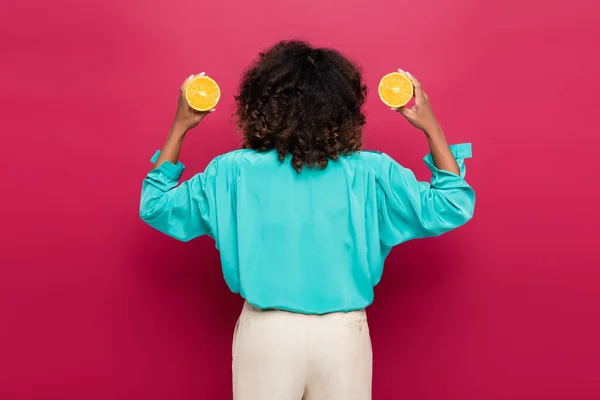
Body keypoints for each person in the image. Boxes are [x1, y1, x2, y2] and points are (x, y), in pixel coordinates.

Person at [140, 40, 475, 400]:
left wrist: (180, 126)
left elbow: (156, 205)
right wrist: (431, 127)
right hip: (343, 335)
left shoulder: (232, 172)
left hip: (267, 335)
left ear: (261, 105)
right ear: (345, 107)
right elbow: (452, 204)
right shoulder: (372, 171)